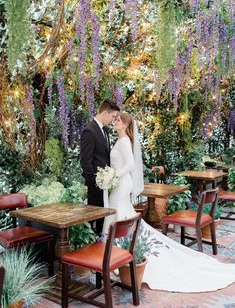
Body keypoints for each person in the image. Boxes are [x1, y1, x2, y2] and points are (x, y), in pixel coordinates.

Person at [103, 112, 235, 293]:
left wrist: (114, 175)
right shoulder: (120, 140)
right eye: (116, 119)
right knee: (119, 213)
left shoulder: (125, 141)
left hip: (121, 183)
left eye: (119, 120)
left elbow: (131, 165)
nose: (116, 121)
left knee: (118, 213)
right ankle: (115, 252)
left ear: (126, 125)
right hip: (118, 183)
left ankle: (116, 254)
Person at [80, 99, 120, 235]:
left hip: (105, 183)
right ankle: (90, 246)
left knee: (103, 216)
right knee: (93, 217)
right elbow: (85, 161)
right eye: (113, 116)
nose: (113, 120)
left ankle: (100, 242)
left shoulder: (105, 130)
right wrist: (94, 182)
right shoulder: (89, 131)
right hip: (95, 184)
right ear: (104, 112)